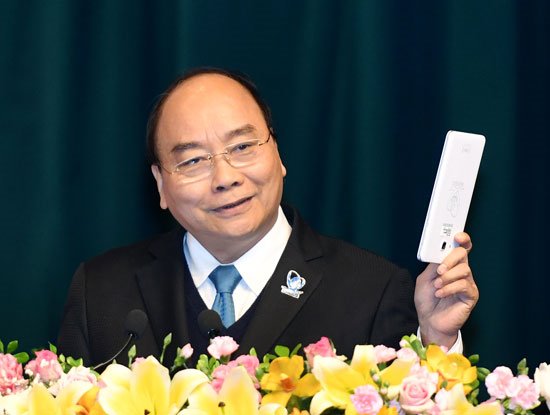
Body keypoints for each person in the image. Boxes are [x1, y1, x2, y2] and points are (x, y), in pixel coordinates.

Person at [57, 67, 478, 366]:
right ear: (161, 184)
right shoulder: (103, 291)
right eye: (194, 160)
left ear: (277, 154)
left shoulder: (373, 290)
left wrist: (436, 341)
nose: (225, 178)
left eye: (242, 148)